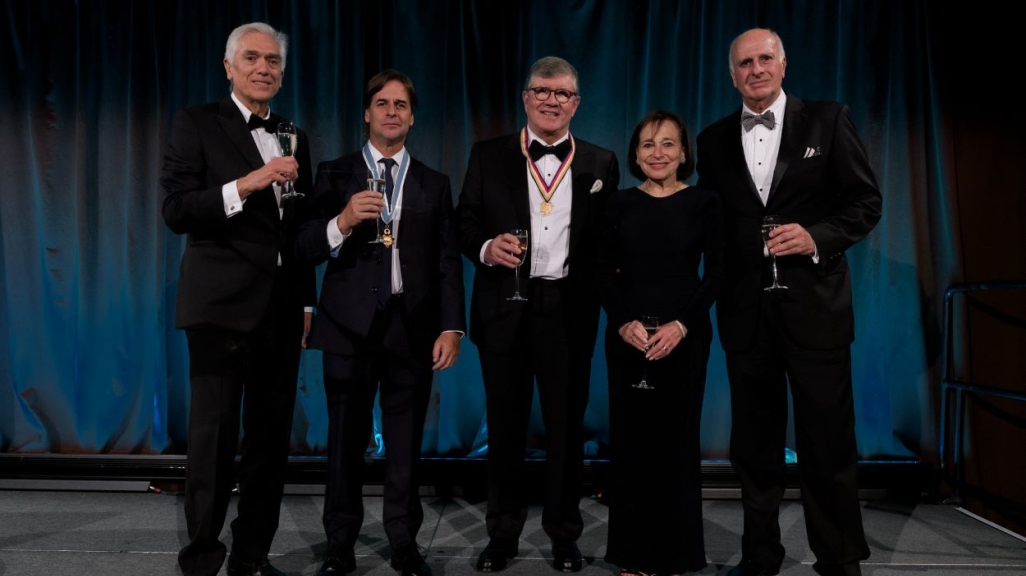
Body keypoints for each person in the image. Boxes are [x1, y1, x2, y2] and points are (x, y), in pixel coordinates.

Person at [695, 28, 882, 576]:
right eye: (744, 63)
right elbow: (712, 225)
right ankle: (760, 553)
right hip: (745, 315)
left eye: (765, 58)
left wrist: (817, 237)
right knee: (754, 447)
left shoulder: (828, 119)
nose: (755, 69)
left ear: (783, 63)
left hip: (816, 311)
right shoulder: (711, 139)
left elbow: (865, 202)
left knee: (827, 442)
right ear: (732, 75)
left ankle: (839, 555)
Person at [295, 69, 465, 576]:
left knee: (406, 445)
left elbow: (448, 261)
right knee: (345, 443)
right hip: (347, 328)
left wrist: (452, 326)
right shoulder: (334, 172)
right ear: (367, 113)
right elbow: (304, 246)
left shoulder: (434, 183)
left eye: (401, 105)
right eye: (382, 103)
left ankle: (404, 542)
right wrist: (343, 220)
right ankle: (339, 543)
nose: (392, 112)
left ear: (412, 117)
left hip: (410, 329)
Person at [161, 22, 315, 576]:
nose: (264, 68)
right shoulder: (197, 123)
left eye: (273, 61)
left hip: (279, 312)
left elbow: (300, 231)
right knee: (213, 442)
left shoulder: (293, 132)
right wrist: (249, 183)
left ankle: (251, 556)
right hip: (219, 310)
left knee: (271, 445)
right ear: (229, 67)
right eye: (251, 58)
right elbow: (177, 210)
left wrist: (305, 304)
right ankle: (201, 559)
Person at [457, 56, 620, 573]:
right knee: (503, 429)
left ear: (576, 103)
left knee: (566, 432)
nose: (552, 100)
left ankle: (564, 534)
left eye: (563, 93)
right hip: (505, 307)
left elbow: (610, 245)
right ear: (526, 98)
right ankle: (501, 536)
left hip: (569, 313)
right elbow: (463, 222)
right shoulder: (488, 155)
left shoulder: (601, 162)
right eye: (542, 91)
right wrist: (485, 247)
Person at [599, 110, 723, 576]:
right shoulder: (617, 203)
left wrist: (682, 325)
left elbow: (717, 272)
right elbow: (600, 271)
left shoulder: (706, 202)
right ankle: (632, 555)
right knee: (632, 447)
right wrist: (621, 321)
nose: (658, 152)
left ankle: (675, 555)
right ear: (635, 153)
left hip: (685, 337)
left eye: (668, 144)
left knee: (676, 445)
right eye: (648, 144)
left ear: (684, 153)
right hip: (628, 338)